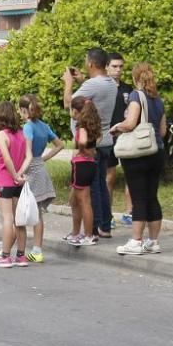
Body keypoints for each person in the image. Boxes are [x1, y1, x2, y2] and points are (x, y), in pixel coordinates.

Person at [111, 62, 167, 256]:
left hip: (138, 154)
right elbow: (162, 130)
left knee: (138, 196)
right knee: (152, 196)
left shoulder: (136, 95)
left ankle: (136, 240)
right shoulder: (158, 99)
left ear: (135, 78)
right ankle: (153, 241)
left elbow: (131, 122)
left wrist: (117, 127)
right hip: (156, 151)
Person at [63, 48, 117, 238]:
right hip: (104, 140)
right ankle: (105, 225)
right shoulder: (110, 83)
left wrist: (68, 84)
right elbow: (90, 98)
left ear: (91, 64)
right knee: (101, 185)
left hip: (89, 146)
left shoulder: (93, 85)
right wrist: (81, 81)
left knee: (91, 190)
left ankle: (92, 228)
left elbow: (69, 102)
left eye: (87, 61)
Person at [0, 101, 32, 268]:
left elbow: (6, 159)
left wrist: (14, 175)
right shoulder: (23, 133)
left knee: (7, 218)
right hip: (19, 182)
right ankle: (21, 255)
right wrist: (20, 174)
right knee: (19, 220)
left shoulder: (1, 135)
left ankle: (5, 256)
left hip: (5, 180)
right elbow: (29, 156)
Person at [18, 94, 63, 262]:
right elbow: (60, 145)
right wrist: (43, 158)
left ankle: (29, 248)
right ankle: (37, 249)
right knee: (37, 212)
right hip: (40, 166)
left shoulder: (28, 127)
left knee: (24, 209)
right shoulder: (44, 126)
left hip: (29, 169)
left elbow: (27, 152)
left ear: (23, 110)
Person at [65, 97, 100, 246]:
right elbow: (98, 139)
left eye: (71, 110)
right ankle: (75, 232)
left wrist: (80, 150)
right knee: (74, 200)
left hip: (82, 165)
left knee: (84, 201)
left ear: (76, 111)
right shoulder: (92, 126)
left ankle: (88, 234)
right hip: (88, 165)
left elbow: (83, 141)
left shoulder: (82, 127)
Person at [108, 53, 134, 225]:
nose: (118, 70)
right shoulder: (103, 87)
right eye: (114, 66)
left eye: (121, 67)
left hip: (125, 137)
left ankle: (130, 212)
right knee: (109, 176)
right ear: (106, 67)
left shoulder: (128, 89)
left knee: (130, 174)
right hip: (108, 136)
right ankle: (107, 214)